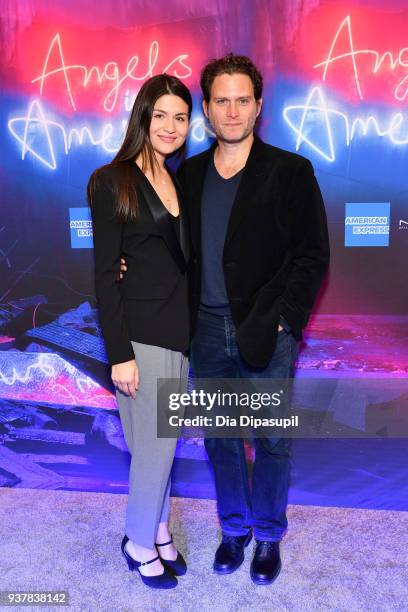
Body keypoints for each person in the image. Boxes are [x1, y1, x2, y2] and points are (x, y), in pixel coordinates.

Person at [121, 53, 329, 586]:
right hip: (205, 331)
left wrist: (284, 318)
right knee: (220, 438)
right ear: (207, 113)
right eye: (221, 101)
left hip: (266, 330)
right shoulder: (185, 174)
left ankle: (268, 537)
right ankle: (233, 531)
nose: (232, 112)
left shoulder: (291, 171)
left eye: (243, 100)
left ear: (258, 107)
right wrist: (127, 261)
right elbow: (163, 244)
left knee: (271, 441)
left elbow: (312, 256)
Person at [87, 74, 192, 590]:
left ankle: (159, 529)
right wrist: (120, 353)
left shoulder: (185, 179)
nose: (171, 127)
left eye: (181, 116)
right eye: (161, 115)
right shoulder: (113, 180)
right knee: (153, 444)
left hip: (181, 332)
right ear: (142, 118)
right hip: (141, 335)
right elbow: (106, 275)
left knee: (164, 444)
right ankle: (136, 540)